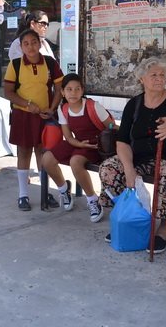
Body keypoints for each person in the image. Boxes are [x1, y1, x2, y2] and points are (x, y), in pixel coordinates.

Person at [98, 57, 166, 253]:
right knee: (109, 168)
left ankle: (164, 229)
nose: (159, 78)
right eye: (154, 75)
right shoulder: (134, 104)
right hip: (140, 157)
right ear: (142, 79)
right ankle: (129, 218)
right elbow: (123, 140)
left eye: (162, 75)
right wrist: (129, 168)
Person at [3, 29, 64, 211]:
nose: (30, 46)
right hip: (22, 115)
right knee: (23, 152)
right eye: (26, 43)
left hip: (45, 116)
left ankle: (45, 191)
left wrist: (51, 109)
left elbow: (59, 88)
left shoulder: (50, 63)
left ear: (40, 44)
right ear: (21, 47)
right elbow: (8, 92)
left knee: (43, 152)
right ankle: (23, 195)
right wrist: (27, 104)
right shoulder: (14, 65)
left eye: (34, 42)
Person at [40, 73, 110, 222]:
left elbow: (112, 126)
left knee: (75, 161)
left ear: (82, 90)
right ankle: (64, 189)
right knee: (46, 159)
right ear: (63, 92)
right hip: (76, 142)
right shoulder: (63, 109)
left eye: (77, 89)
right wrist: (79, 144)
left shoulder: (93, 106)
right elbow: (68, 137)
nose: (73, 93)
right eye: (69, 89)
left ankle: (92, 199)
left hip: (94, 145)